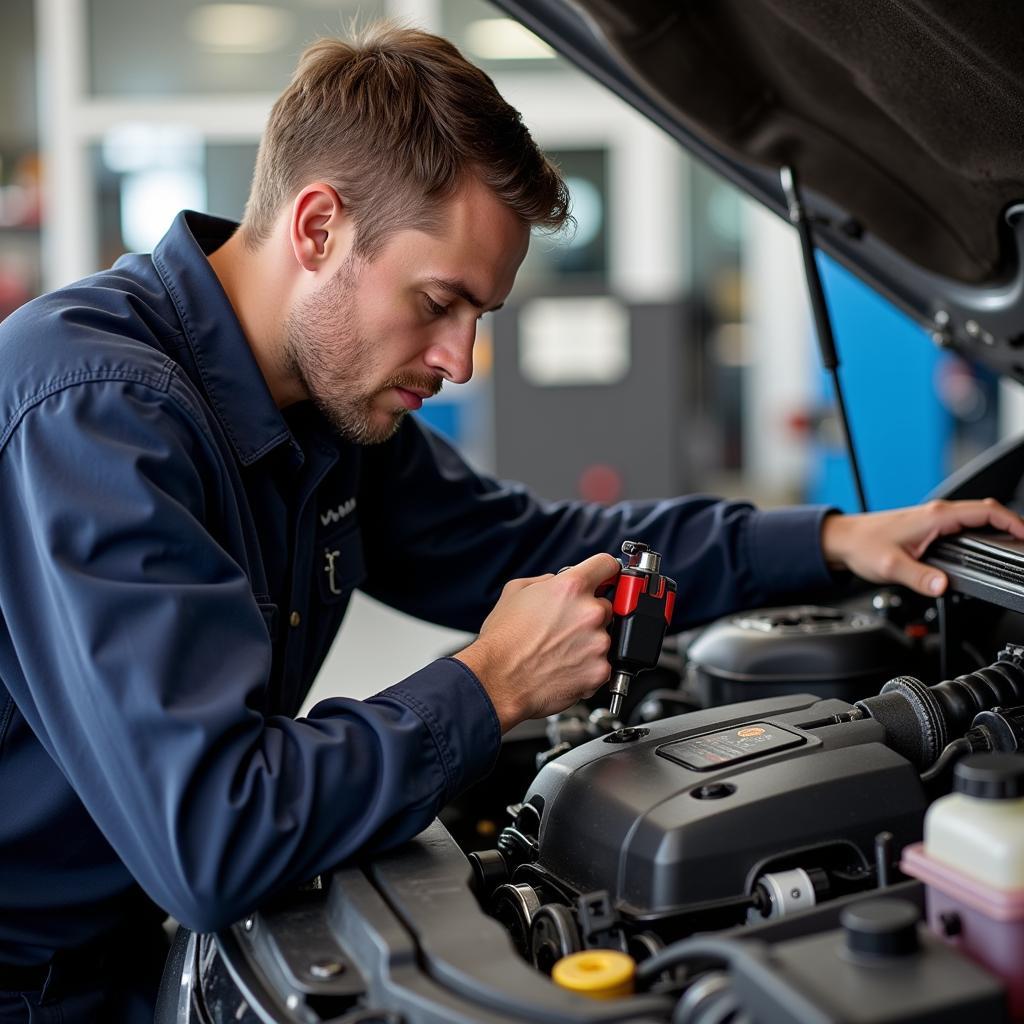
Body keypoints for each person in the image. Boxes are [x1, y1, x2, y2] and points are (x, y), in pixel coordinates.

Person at [0, 23, 1021, 1023]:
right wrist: (490, 684)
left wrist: (832, 542)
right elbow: (214, 834)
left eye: (479, 316)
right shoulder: (92, 413)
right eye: (439, 302)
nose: (460, 361)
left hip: (124, 943)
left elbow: (533, 547)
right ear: (318, 228)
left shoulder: (326, 403)